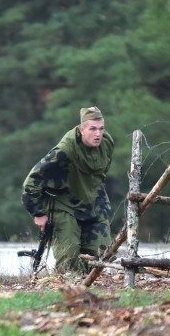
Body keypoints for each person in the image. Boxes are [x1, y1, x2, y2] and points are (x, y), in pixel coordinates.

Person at [21, 106, 116, 273]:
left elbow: (101, 174)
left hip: (94, 205)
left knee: (103, 259)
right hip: (64, 206)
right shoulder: (65, 150)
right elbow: (31, 182)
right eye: (92, 129)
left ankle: (89, 292)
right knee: (69, 260)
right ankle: (67, 291)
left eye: (101, 129)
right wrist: (39, 214)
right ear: (81, 130)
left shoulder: (107, 144)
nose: (98, 134)